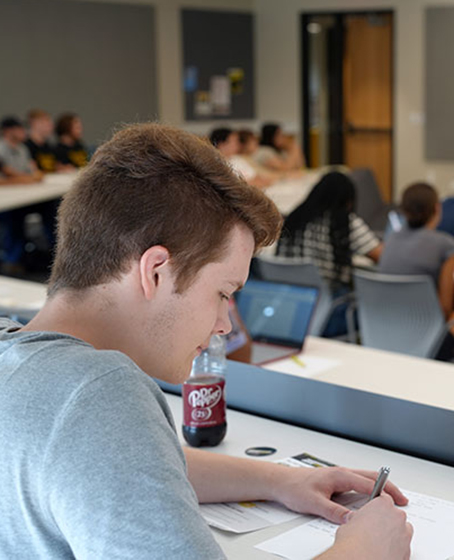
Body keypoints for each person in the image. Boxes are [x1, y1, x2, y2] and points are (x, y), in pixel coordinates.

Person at [0, 124, 412, 558]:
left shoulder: (25, 367)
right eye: (222, 294)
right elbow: (111, 446)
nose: (225, 325)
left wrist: (282, 480)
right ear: (155, 270)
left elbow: (131, 466)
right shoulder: (96, 394)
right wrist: (365, 550)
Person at [380, 183, 454, 370]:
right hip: (428, 341)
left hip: (384, 334)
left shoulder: (390, 239)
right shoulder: (445, 245)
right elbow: (445, 309)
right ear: (437, 208)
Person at [277, 171, 382, 336]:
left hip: (290, 311)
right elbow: (382, 256)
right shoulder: (344, 223)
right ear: (347, 200)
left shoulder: (294, 218)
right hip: (330, 312)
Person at [0, 116, 48, 275]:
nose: (23, 132)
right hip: (7, 200)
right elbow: (4, 178)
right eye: (19, 129)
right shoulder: (2, 149)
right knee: (14, 216)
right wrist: (27, 178)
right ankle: (11, 260)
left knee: (50, 206)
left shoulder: (22, 149)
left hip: (24, 197)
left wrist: (26, 177)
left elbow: (35, 172)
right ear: (8, 131)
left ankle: (51, 250)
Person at [210, 127, 274, 188]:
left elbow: (258, 179)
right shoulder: (214, 164)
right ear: (222, 145)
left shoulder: (237, 159)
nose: (238, 145)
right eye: (234, 142)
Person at [25, 109, 68, 173]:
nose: (51, 125)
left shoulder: (49, 146)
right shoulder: (26, 147)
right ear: (35, 123)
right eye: (46, 121)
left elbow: (55, 166)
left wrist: (63, 168)